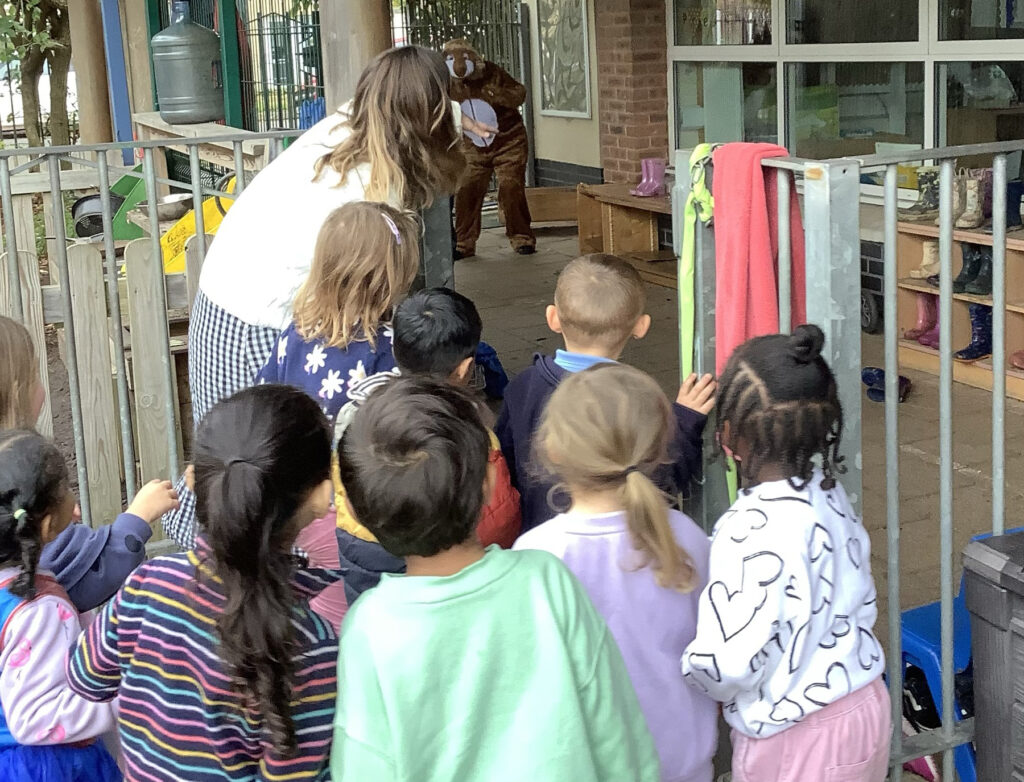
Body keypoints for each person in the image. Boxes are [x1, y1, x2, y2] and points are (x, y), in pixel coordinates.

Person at [331, 377, 660, 782]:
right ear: (489, 484)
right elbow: (615, 729)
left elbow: (366, 766)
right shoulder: (547, 583)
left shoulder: (368, 629)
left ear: (359, 516)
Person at [188, 45, 493, 426]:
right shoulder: (372, 193)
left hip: (225, 301)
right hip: (255, 322)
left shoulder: (352, 121)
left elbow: (401, 97)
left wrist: (454, 113)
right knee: (250, 462)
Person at [68, 386, 340, 782]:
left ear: (192, 481)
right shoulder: (311, 645)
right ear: (321, 496)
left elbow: (85, 676)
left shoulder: (148, 585)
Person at [163, 202, 419, 584]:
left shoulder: (295, 333)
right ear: (389, 278)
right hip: (351, 511)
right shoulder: (390, 348)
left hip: (294, 500)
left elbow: (269, 403)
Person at [681, 325, 889, 782]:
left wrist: (688, 670)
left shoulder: (746, 529)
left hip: (794, 734)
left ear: (728, 435)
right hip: (865, 706)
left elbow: (729, 663)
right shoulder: (830, 496)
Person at [514, 363, 717, 782]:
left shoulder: (535, 556)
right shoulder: (687, 537)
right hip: (681, 758)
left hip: (583, 765)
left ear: (553, 450)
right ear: (661, 449)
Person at [496, 253, 716, 531]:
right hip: (625, 547)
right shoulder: (638, 401)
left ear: (553, 318)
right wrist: (685, 419)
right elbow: (664, 480)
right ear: (641, 326)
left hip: (541, 542)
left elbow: (506, 469)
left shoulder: (522, 386)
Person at [336, 288, 521, 602]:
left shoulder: (354, 412)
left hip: (362, 549)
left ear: (395, 349)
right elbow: (500, 520)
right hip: (444, 562)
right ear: (464, 369)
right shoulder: (476, 432)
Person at [0, 315, 179, 612]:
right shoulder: (40, 617)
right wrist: (137, 518)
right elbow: (89, 575)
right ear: (15, 394)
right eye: (34, 377)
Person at [0, 430, 120, 781]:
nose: (75, 499)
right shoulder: (37, 611)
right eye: (67, 489)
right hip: (50, 766)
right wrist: (123, 700)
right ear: (49, 523)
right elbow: (33, 718)